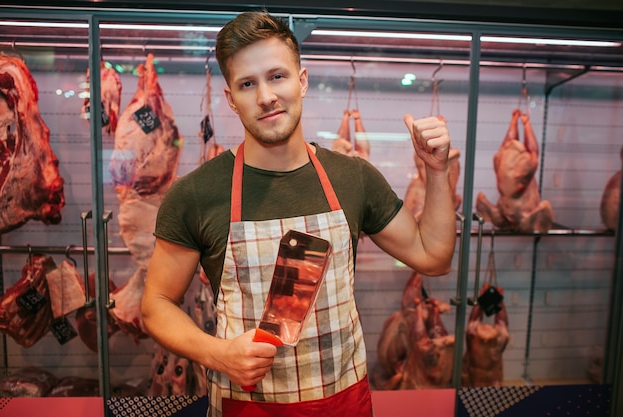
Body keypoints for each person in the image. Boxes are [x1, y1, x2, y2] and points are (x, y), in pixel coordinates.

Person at [141, 10, 456, 417]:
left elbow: (434, 256)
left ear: (302, 81)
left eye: (277, 76)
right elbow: (157, 304)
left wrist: (436, 172)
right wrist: (218, 354)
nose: (266, 97)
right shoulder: (197, 193)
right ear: (230, 99)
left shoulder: (352, 177)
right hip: (247, 406)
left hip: (343, 403)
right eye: (247, 84)